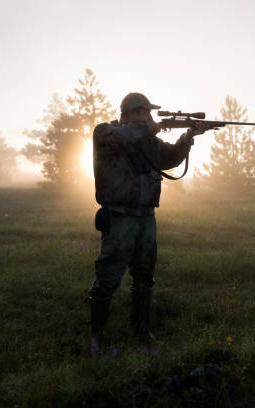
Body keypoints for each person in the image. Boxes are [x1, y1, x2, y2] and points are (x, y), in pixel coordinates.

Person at [88, 92, 211, 353]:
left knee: (144, 279)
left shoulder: (149, 140)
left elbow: (171, 159)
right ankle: (97, 336)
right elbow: (129, 136)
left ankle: (141, 334)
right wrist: (151, 129)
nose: (151, 117)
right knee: (108, 278)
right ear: (132, 112)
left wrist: (188, 137)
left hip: (146, 218)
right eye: (146, 112)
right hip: (119, 217)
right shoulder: (106, 132)